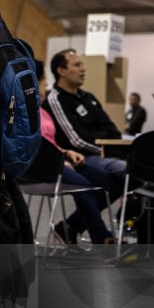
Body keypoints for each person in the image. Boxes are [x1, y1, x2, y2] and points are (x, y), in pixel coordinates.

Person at [33, 60, 117, 245]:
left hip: (57, 160)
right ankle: (102, 237)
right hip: (39, 167)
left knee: (111, 181)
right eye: (43, 81)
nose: (46, 85)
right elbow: (35, 144)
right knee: (84, 185)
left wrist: (66, 152)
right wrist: (61, 157)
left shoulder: (42, 110)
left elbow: (50, 141)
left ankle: (69, 227)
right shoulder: (28, 111)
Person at [44, 49, 126, 198]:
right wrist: (106, 149)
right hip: (80, 158)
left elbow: (110, 128)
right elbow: (76, 140)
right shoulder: (55, 99)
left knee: (139, 170)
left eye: (82, 64)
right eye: (77, 65)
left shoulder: (88, 97)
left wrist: (115, 147)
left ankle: (74, 222)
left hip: (101, 154)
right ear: (61, 71)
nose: (83, 69)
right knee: (124, 172)